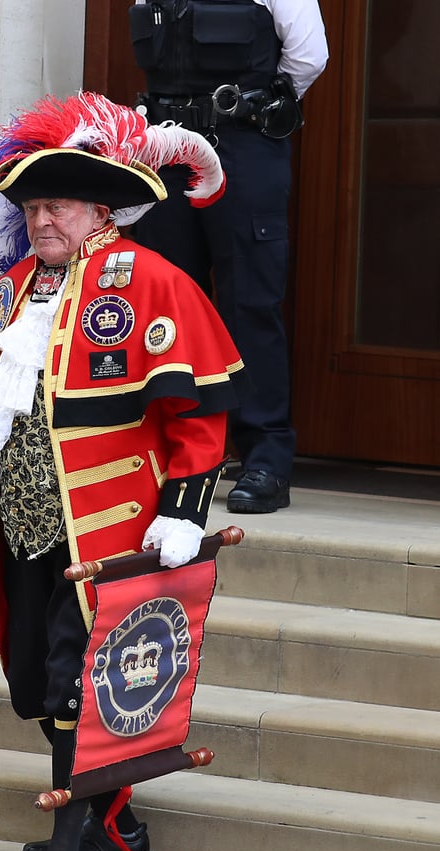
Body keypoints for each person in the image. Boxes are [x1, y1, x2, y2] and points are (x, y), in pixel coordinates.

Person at [0, 92, 247, 851]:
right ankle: (114, 820)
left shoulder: (148, 280)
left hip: (110, 526)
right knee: (35, 680)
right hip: (25, 523)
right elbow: (7, 413)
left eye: (57, 206)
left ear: (99, 210)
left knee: (83, 685)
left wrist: (183, 507)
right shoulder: (14, 290)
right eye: (32, 207)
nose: (41, 221)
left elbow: (199, 412)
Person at [129, 0, 329, 513]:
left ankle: (265, 458)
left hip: (242, 142)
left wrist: (245, 104)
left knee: (249, 302)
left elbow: (309, 57)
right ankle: (182, 451)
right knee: (168, 305)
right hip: (166, 148)